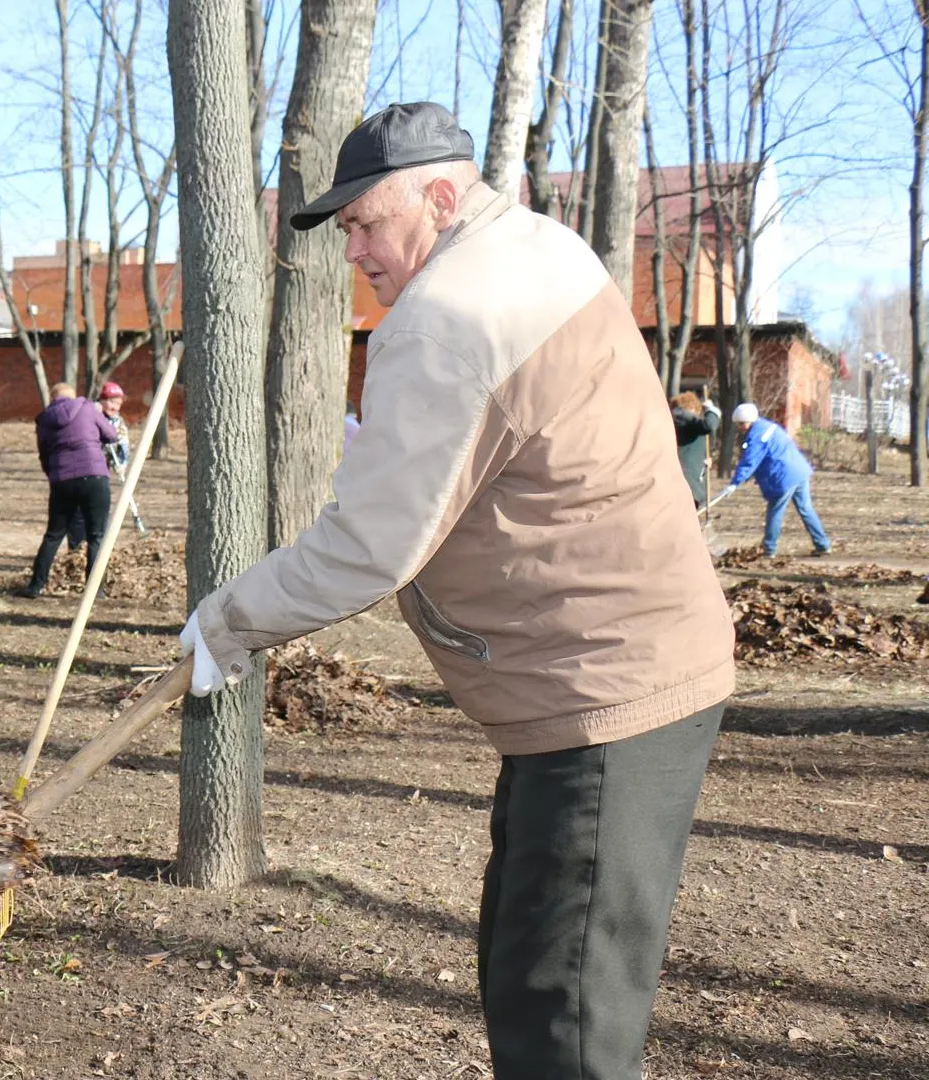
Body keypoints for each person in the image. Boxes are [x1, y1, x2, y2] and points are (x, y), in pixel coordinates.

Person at [176, 102, 734, 1080]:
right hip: (602, 679)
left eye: (366, 223)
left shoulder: (447, 315)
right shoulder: (540, 251)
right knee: (537, 977)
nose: (356, 251)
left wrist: (226, 622)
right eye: (342, 230)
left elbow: (368, 543)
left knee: (563, 1024)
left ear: (440, 195)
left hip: (603, 692)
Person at [20, 382, 117, 598]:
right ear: (72, 396)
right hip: (94, 476)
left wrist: (54, 476)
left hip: (62, 479)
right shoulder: (88, 408)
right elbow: (111, 434)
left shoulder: (45, 419)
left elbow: (43, 454)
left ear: (53, 399)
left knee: (53, 534)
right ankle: (95, 589)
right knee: (96, 535)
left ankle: (35, 586)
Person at [715, 403, 830, 557]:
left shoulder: (757, 436)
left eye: (742, 423)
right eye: (739, 424)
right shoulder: (768, 427)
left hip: (784, 477)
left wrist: (735, 483)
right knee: (806, 509)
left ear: (750, 420)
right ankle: (822, 545)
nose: (740, 427)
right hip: (799, 471)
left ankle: (769, 549)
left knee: (775, 512)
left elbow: (750, 461)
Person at [670, 391, 721, 507]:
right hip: (688, 481)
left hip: (682, 477)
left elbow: (689, 449)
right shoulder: (685, 419)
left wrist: (703, 460)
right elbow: (709, 425)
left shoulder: (679, 422)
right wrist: (711, 410)